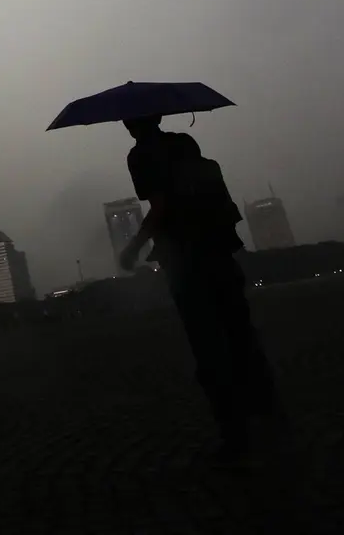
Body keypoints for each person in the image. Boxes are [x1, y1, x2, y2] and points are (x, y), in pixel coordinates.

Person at [117, 115, 284, 466]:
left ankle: (234, 435)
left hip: (185, 260)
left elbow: (160, 206)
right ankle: (268, 413)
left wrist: (133, 246)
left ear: (130, 124)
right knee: (240, 333)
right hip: (219, 248)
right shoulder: (184, 143)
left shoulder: (140, 156)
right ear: (160, 116)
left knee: (208, 346)